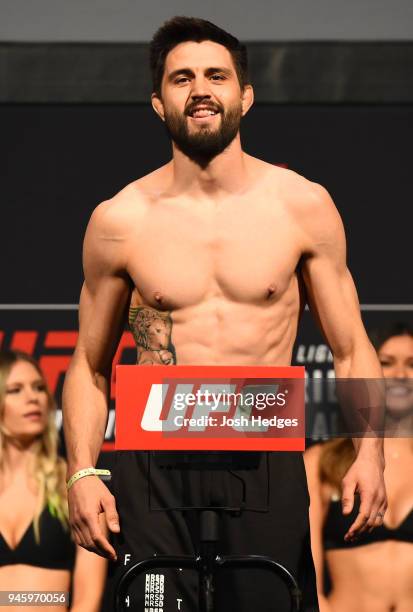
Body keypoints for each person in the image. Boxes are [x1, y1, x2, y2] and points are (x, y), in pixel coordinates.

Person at [62, 16, 386, 612]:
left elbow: (351, 347)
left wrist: (370, 450)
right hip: (153, 461)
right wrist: (82, 472)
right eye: (182, 78)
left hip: (264, 447)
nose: (201, 89)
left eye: (217, 75)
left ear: (246, 95)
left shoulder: (302, 205)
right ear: (160, 103)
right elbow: (88, 362)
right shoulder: (120, 220)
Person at [304, 323, 413, 612]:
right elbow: (303, 563)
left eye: (412, 365)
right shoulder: (320, 463)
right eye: (386, 364)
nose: (401, 375)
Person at [0, 350, 107, 611]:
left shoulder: (77, 487)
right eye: (15, 390)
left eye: (38, 388)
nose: (32, 398)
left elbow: (86, 600)